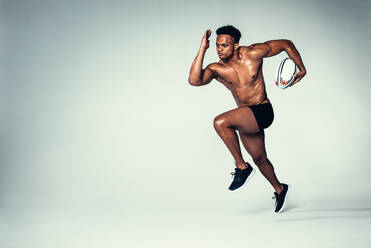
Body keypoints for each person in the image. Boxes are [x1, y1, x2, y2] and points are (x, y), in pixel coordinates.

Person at [188, 25, 306, 213]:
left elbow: (286, 44)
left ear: (235, 46)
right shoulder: (217, 69)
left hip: (263, 110)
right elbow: (194, 80)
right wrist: (203, 47)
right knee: (260, 159)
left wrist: (301, 68)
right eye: (217, 45)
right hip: (245, 117)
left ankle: (242, 168)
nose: (219, 49)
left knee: (220, 122)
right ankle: (280, 189)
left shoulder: (253, 53)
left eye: (224, 45)